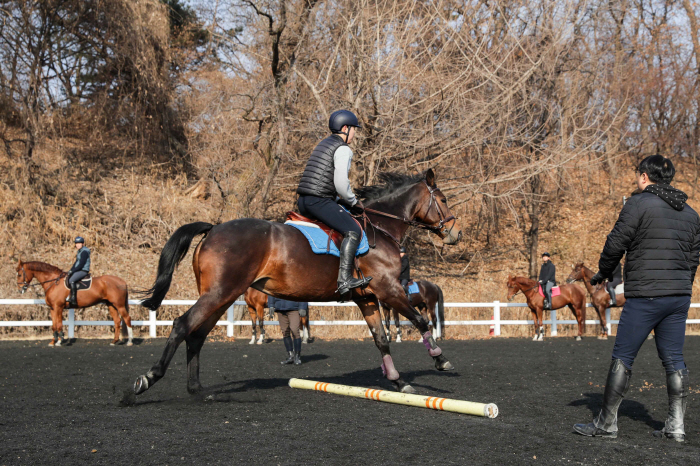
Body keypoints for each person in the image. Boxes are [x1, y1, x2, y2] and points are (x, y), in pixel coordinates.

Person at [573, 155, 700, 442]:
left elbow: (616, 242)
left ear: (644, 177)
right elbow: (694, 257)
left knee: (623, 357)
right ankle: (676, 426)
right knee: (674, 359)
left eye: (637, 176)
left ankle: (606, 425)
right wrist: (681, 284)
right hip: (678, 296)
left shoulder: (638, 204)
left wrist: (602, 273)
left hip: (646, 295)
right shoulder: (691, 213)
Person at [296, 110, 371, 297]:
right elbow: (340, 184)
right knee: (353, 230)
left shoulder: (324, 144)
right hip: (318, 201)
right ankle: (345, 279)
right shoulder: (343, 149)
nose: (354, 134)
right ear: (345, 128)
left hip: (304, 200)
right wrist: (353, 201)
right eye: (354, 129)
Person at [268, 296, 308, 365]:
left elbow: (303, 291)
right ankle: (291, 355)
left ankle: (297, 356)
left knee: (295, 330)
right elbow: (271, 291)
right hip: (280, 309)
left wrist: (303, 306)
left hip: (294, 308)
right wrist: (271, 305)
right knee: (285, 332)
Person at [67, 237, 90, 308]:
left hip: (83, 270)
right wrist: (70, 270)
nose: (77, 245)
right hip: (79, 269)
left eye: (79, 243)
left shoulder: (84, 251)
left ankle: (73, 299)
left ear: (83, 244)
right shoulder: (79, 251)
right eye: (76, 243)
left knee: (71, 280)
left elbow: (81, 264)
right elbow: (76, 263)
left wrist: (73, 271)